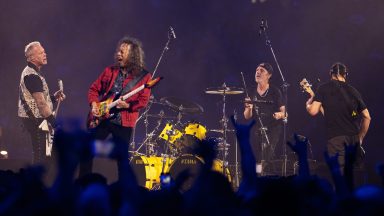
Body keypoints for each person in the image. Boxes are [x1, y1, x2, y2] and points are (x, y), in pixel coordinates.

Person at [80, 36, 152, 177]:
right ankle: (83, 185)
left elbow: (143, 101)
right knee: (87, 150)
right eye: (118, 51)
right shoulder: (110, 71)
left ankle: (123, 191)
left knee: (122, 159)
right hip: (103, 119)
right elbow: (93, 89)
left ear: (132, 55)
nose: (118, 54)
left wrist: (127, 105)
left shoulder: (144, 77)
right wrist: (94, 104)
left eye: (122, 52)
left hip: (124, 123)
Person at [305, 62, 371, 171]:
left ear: (331, 74)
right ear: (345, 75)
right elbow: (367, 117)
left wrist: (308, 105)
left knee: (339, 177)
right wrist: (360, 137)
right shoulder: (354, 91)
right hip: (354, 139)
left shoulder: (323, 88)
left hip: (336, 140)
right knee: (354, 176)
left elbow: (313, 111)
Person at [18, 41, 65, 165]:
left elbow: (38, 99)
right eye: (41, 53)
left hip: (36, 119)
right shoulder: (32, 76)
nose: (45, 54)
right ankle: (35, 183)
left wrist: (53, 98)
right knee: (40, 156)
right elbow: (41, 103)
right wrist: (55, 123)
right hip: (35, 120)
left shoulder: (32, 73)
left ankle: (38, 181)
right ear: (32, 57)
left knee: (42, 155)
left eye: (44, 52)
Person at [243, 62, 286, 174]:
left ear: (269, 75)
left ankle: (265, 177)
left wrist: (279, 115)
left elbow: (284, 112)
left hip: (272, 128)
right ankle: (258, 176)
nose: (258, 72)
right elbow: (247, 116)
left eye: (262, 70)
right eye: (257, 70)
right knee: (256, 157)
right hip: (256, 128)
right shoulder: (251, 91)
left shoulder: (275, 91)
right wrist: (249, 108)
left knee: (266, 155)